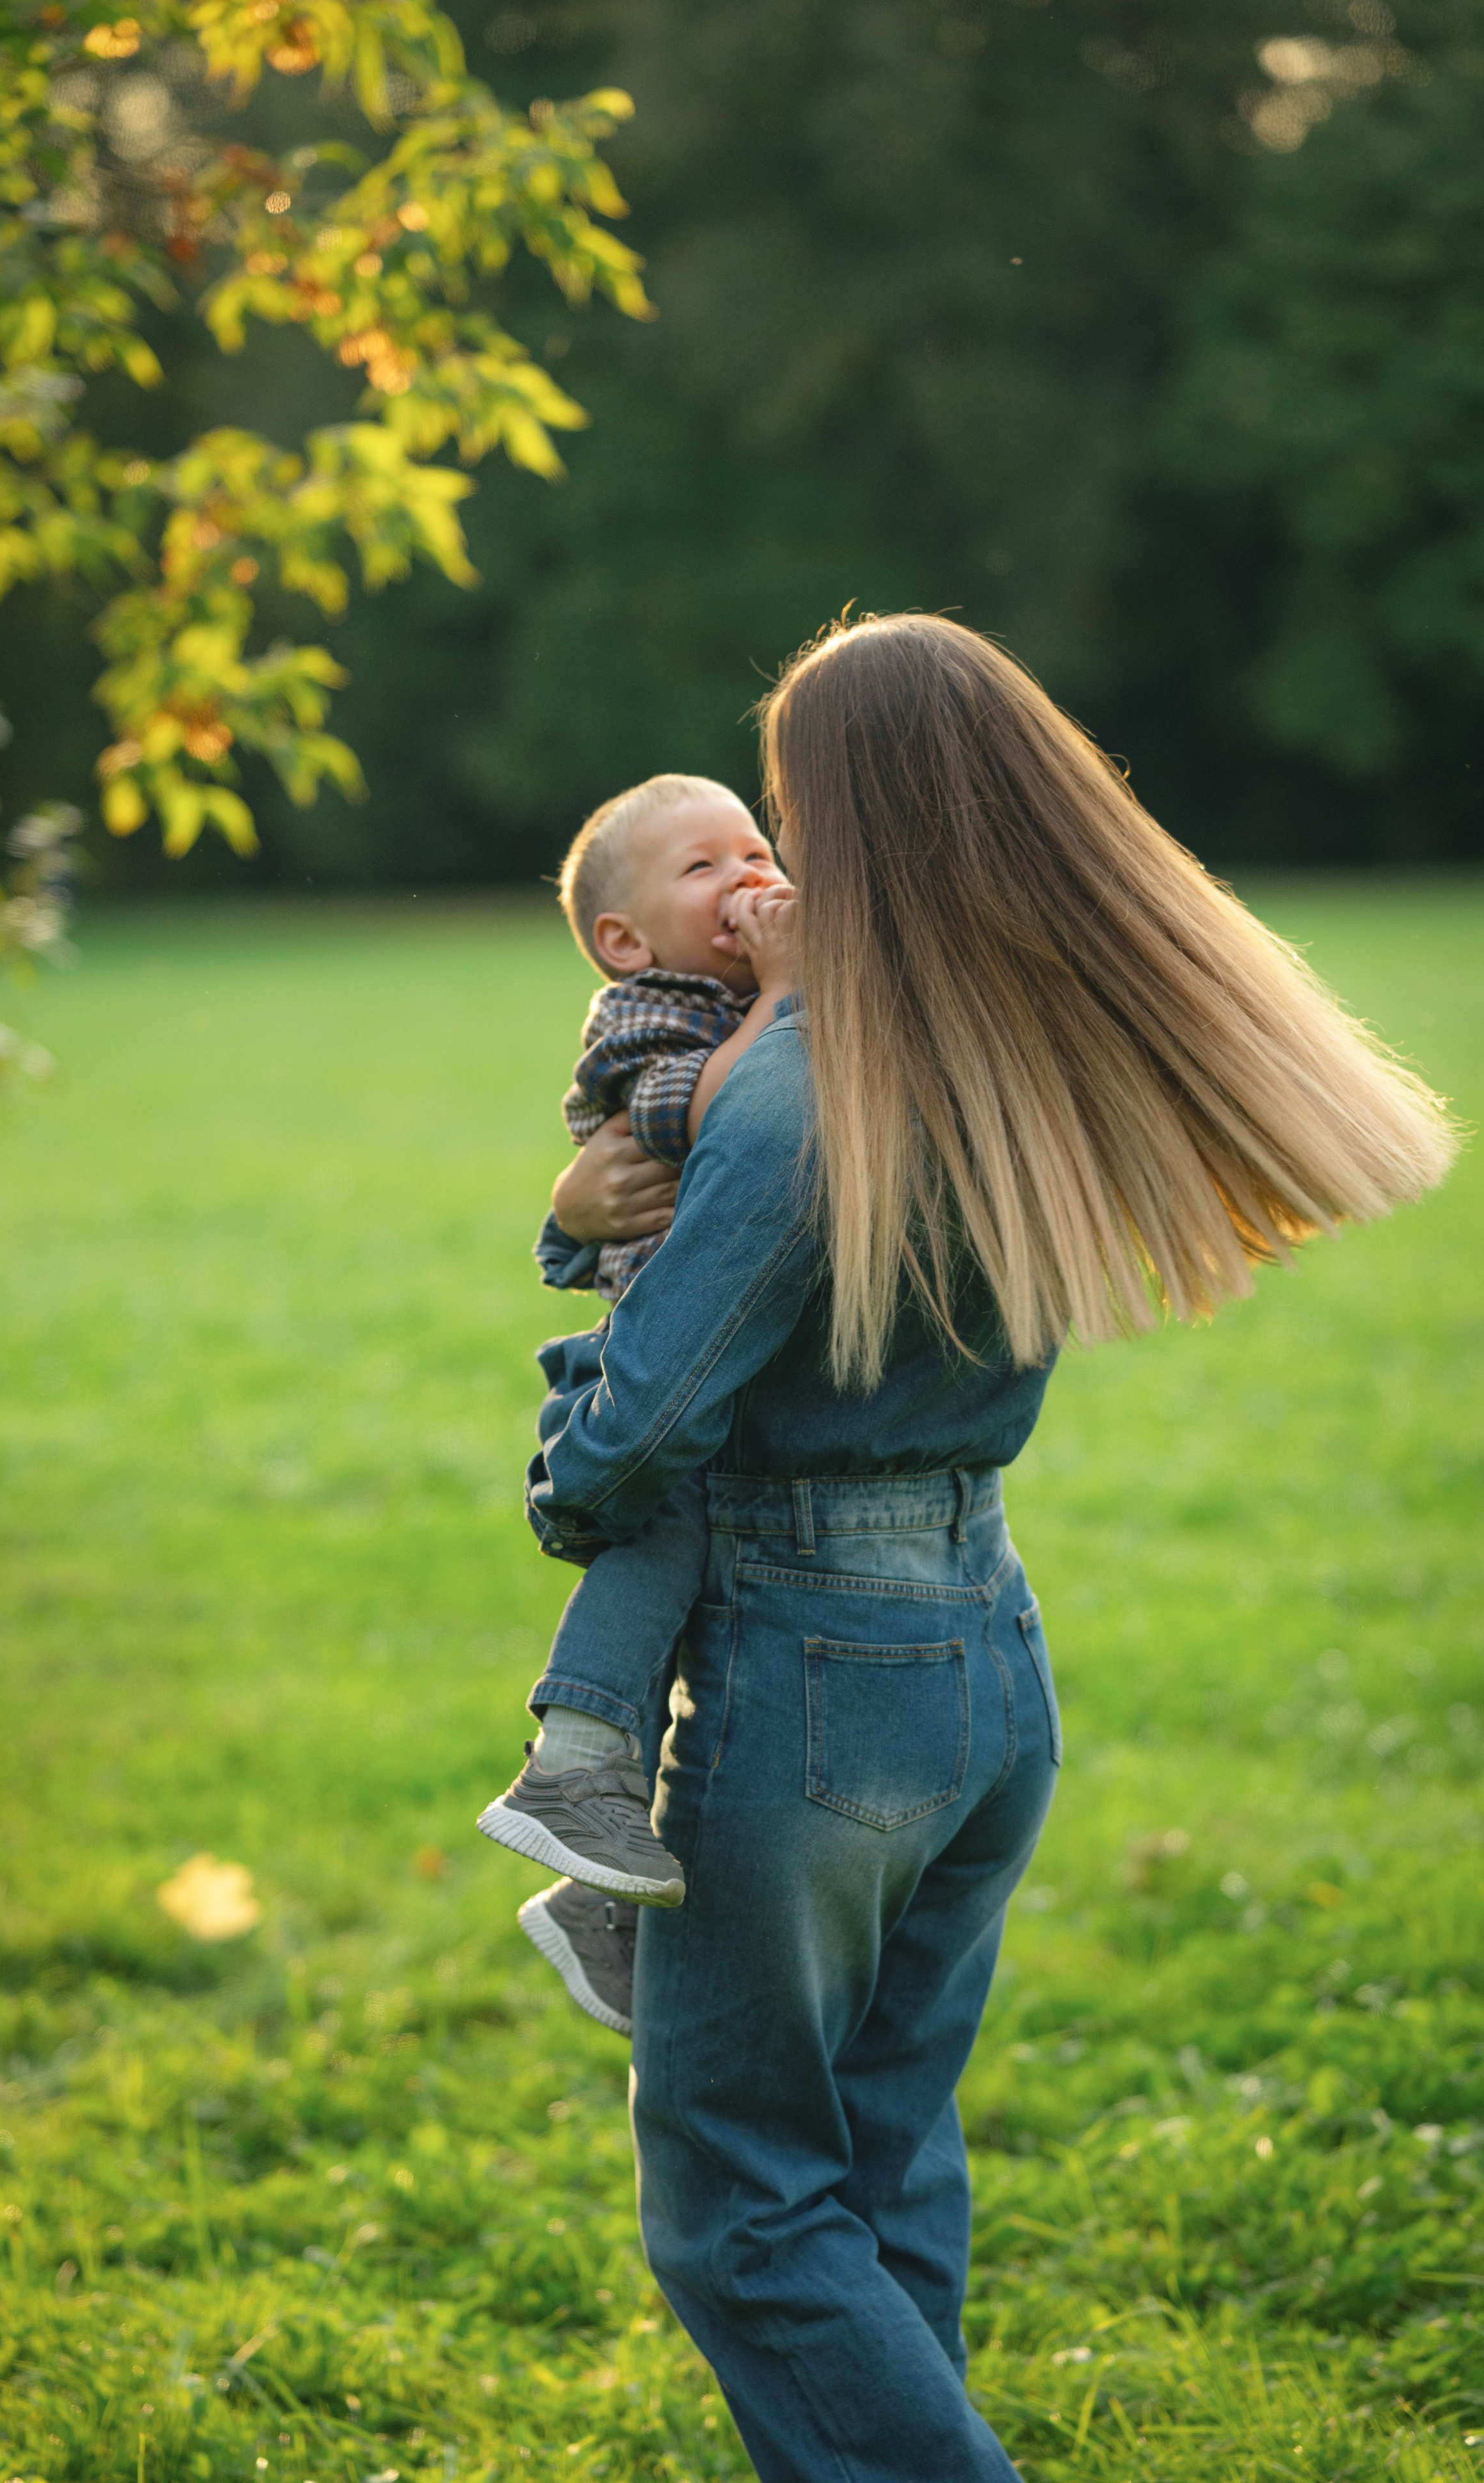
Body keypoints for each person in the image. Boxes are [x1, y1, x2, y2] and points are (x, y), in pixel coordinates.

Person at [523, 612, 1455, 2483]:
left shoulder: (799, 1084)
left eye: (786, 807)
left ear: (846, 818)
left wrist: (566, 1449)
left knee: (742, 2217)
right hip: (982, 1662)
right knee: (874, 2165)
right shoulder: (1006, 1042)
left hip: (807, 1680)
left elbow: (635, 1429)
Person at [474, 776, 796, 2027]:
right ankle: (571, 1761)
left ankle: (594, 1894)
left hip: (718, 1343)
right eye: (703, 869)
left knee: (686, 1620)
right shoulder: (648, 1016)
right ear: (623, 939)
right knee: (656, 1535)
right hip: (669, 1345)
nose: (748, 879)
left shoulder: (739, 995)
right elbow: (705, 1121)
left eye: (756, 851)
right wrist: (785, 997)